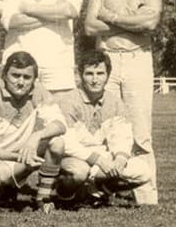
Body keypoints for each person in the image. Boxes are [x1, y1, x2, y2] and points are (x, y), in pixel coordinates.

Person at [83, 0, 162, 206]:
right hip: (106, 60)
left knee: (140, 130)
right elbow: (90, 27)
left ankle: (146, 195)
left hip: (137, 60)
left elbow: (150, 24)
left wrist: (110, 17)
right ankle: (100, 190)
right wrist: (133, 23)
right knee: (106, 125)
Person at [56, 51, 151, 206]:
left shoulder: (115, 102)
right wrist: (99, 161)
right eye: (89, 74)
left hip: (102, 157)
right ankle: (65, 195)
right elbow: (67, 144)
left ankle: (97, 193)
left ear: (108, 75)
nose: (95, 80)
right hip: (73, 156)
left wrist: (120, 158)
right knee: (79, 171)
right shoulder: (68, 101)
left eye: (100, 73)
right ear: (80, 75)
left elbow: (123, 137)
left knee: (143, 171)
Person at [0, 51, 66, 211]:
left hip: (24, 153)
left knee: (57, 143)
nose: (21, 82)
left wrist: (36, 136)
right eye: (15, 75)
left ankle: (42, 198)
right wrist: (19, 157)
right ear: (4, 75)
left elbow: (60, 124)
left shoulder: (38, 91)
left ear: (34, 79)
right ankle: (2, 191)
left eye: (27, 77)